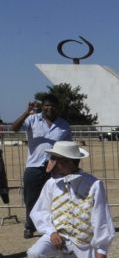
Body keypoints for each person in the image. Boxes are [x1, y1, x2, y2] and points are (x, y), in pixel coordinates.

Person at [23, 141, 114, 258]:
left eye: (56, 159)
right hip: (58, 237)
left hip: (82, 241)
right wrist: (51, 232)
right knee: (34, 253)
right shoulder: (51, 184)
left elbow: (102, 217)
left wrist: (102, 250)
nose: (52, 163)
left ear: (68, 162)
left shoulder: (94, 184)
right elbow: (39, 212)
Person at [12, 95, 72, 239]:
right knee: (31, 199)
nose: (49, 108)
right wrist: (27, 112)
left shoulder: (64, 125)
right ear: (42, 106)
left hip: (56, 168)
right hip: (34, 167)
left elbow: (68, 147)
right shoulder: (32, 120)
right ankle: (30, 226)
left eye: (52, 105)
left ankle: (54, 227)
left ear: (57, 107)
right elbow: (14, 128)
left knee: (56, 198)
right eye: (46, 105)